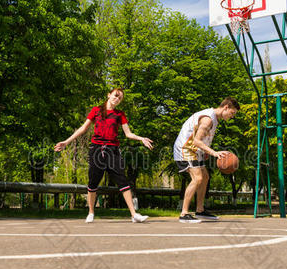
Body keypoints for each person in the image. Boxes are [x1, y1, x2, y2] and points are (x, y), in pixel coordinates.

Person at [54, 88, 153, 223]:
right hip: (96, 150)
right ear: (109, 95)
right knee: (93, 182)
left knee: (123, 181)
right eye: (115, 96)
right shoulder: (96, 110)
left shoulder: (120, 114)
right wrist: (66, 142)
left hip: (113, 151)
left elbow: (128, 133)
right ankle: (91, 212)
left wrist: (141, 138)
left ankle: (134, 214)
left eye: (120, 98)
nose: (117, 99)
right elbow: (83, 128)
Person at [173, 97, 240, 223]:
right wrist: (214, 152)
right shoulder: (208, 119)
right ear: (226, 107)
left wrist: (205, 151)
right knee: (197, 178)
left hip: (195, 150)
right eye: (232, 113)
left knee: (205, 177)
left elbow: (201, 140)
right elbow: (196, 141)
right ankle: (184, 213)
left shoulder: (214, 119)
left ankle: (200, 210)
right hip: (185, 148)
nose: (232, 117)